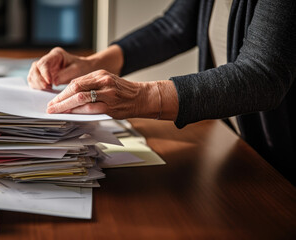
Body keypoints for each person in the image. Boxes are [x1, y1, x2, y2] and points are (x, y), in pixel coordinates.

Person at [27, 0, 296, 184]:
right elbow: (173, 27)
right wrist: (90, 63)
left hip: (280, 166)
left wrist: (139, 96)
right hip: (236, 151)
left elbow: (262, 76)